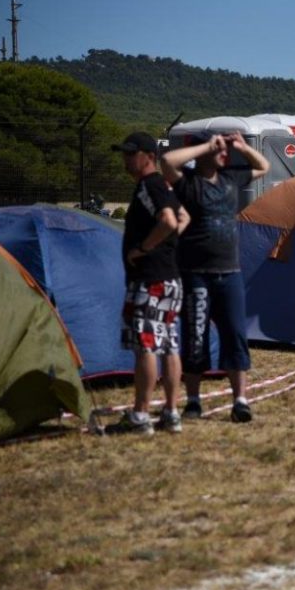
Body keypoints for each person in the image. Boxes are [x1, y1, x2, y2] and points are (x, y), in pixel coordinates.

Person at [161, 131, 270, 423]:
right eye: (220, 150)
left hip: (229, 272)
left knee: (235, 334)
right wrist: (206, 146)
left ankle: (240, 400)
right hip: (196, 274)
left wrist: (243, 147)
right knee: (195, 337)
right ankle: (193, 401)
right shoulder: (188, 183)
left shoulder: (231, 178)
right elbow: (167, 161)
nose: (224, 154)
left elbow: (263, 167)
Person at [105, 131, 190, 435]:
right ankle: (170, 412)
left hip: (150, 279)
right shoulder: (162, 185)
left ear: (148, 156)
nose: (126, 159)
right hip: (170, 278)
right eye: (124, 153)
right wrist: (167, 245)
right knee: (168, 344)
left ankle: (141, 415)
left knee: (146, 346)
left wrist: (144, 248)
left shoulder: (149, 185)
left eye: (131, 153)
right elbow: (184, 218)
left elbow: (169, 220)